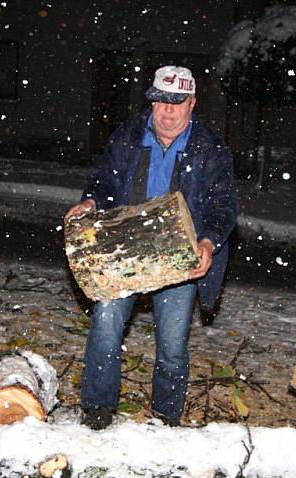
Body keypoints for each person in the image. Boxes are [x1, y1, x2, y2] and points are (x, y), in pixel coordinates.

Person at [65, 66, 238, 429]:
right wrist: (91, 202)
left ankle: (165, 417)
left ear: (192, 103)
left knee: (173, 344)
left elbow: (224, 205)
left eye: (177, 103)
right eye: (161, 101)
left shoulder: (210, 148)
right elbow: (102, 179)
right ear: (152, 101)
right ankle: (98, 408)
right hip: (124, 250)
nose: (168, 111)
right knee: (105, 325)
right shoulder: (128, 136)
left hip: (179, 258)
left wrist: (207, 242)